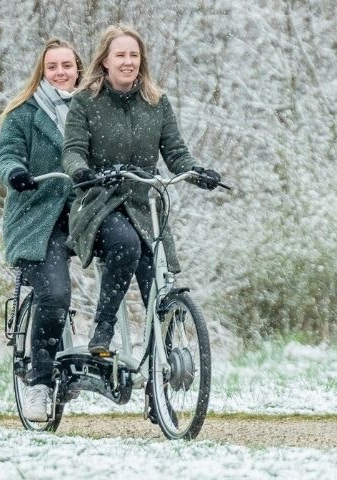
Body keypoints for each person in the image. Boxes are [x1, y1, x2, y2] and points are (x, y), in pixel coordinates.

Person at [62, 24, 221, 354]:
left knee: (159, 285)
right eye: (120, 55)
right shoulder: (86, 102)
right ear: (105, 60)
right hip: (98, 203)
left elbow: (176, 153)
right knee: (126, 244)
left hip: (143, 206)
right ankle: (103, 329)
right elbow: (73, 149)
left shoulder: (156, 102)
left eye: (134, 55)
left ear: (142, 60)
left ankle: (157, 381)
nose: (127, 62)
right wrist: (81, 172)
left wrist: (197, 172)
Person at [0, 38, 83, 422]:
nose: (60, 72)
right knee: (55, 293)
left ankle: (118, 364)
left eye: (67, 65)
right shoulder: (24, 113)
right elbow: (6, 152)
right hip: (35, 219)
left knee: (130, 253)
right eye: (53, 67)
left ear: (78, 68)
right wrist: (15, 172)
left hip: (81, 216)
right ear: (42, 72)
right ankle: (39, 383)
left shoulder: (90, 109)